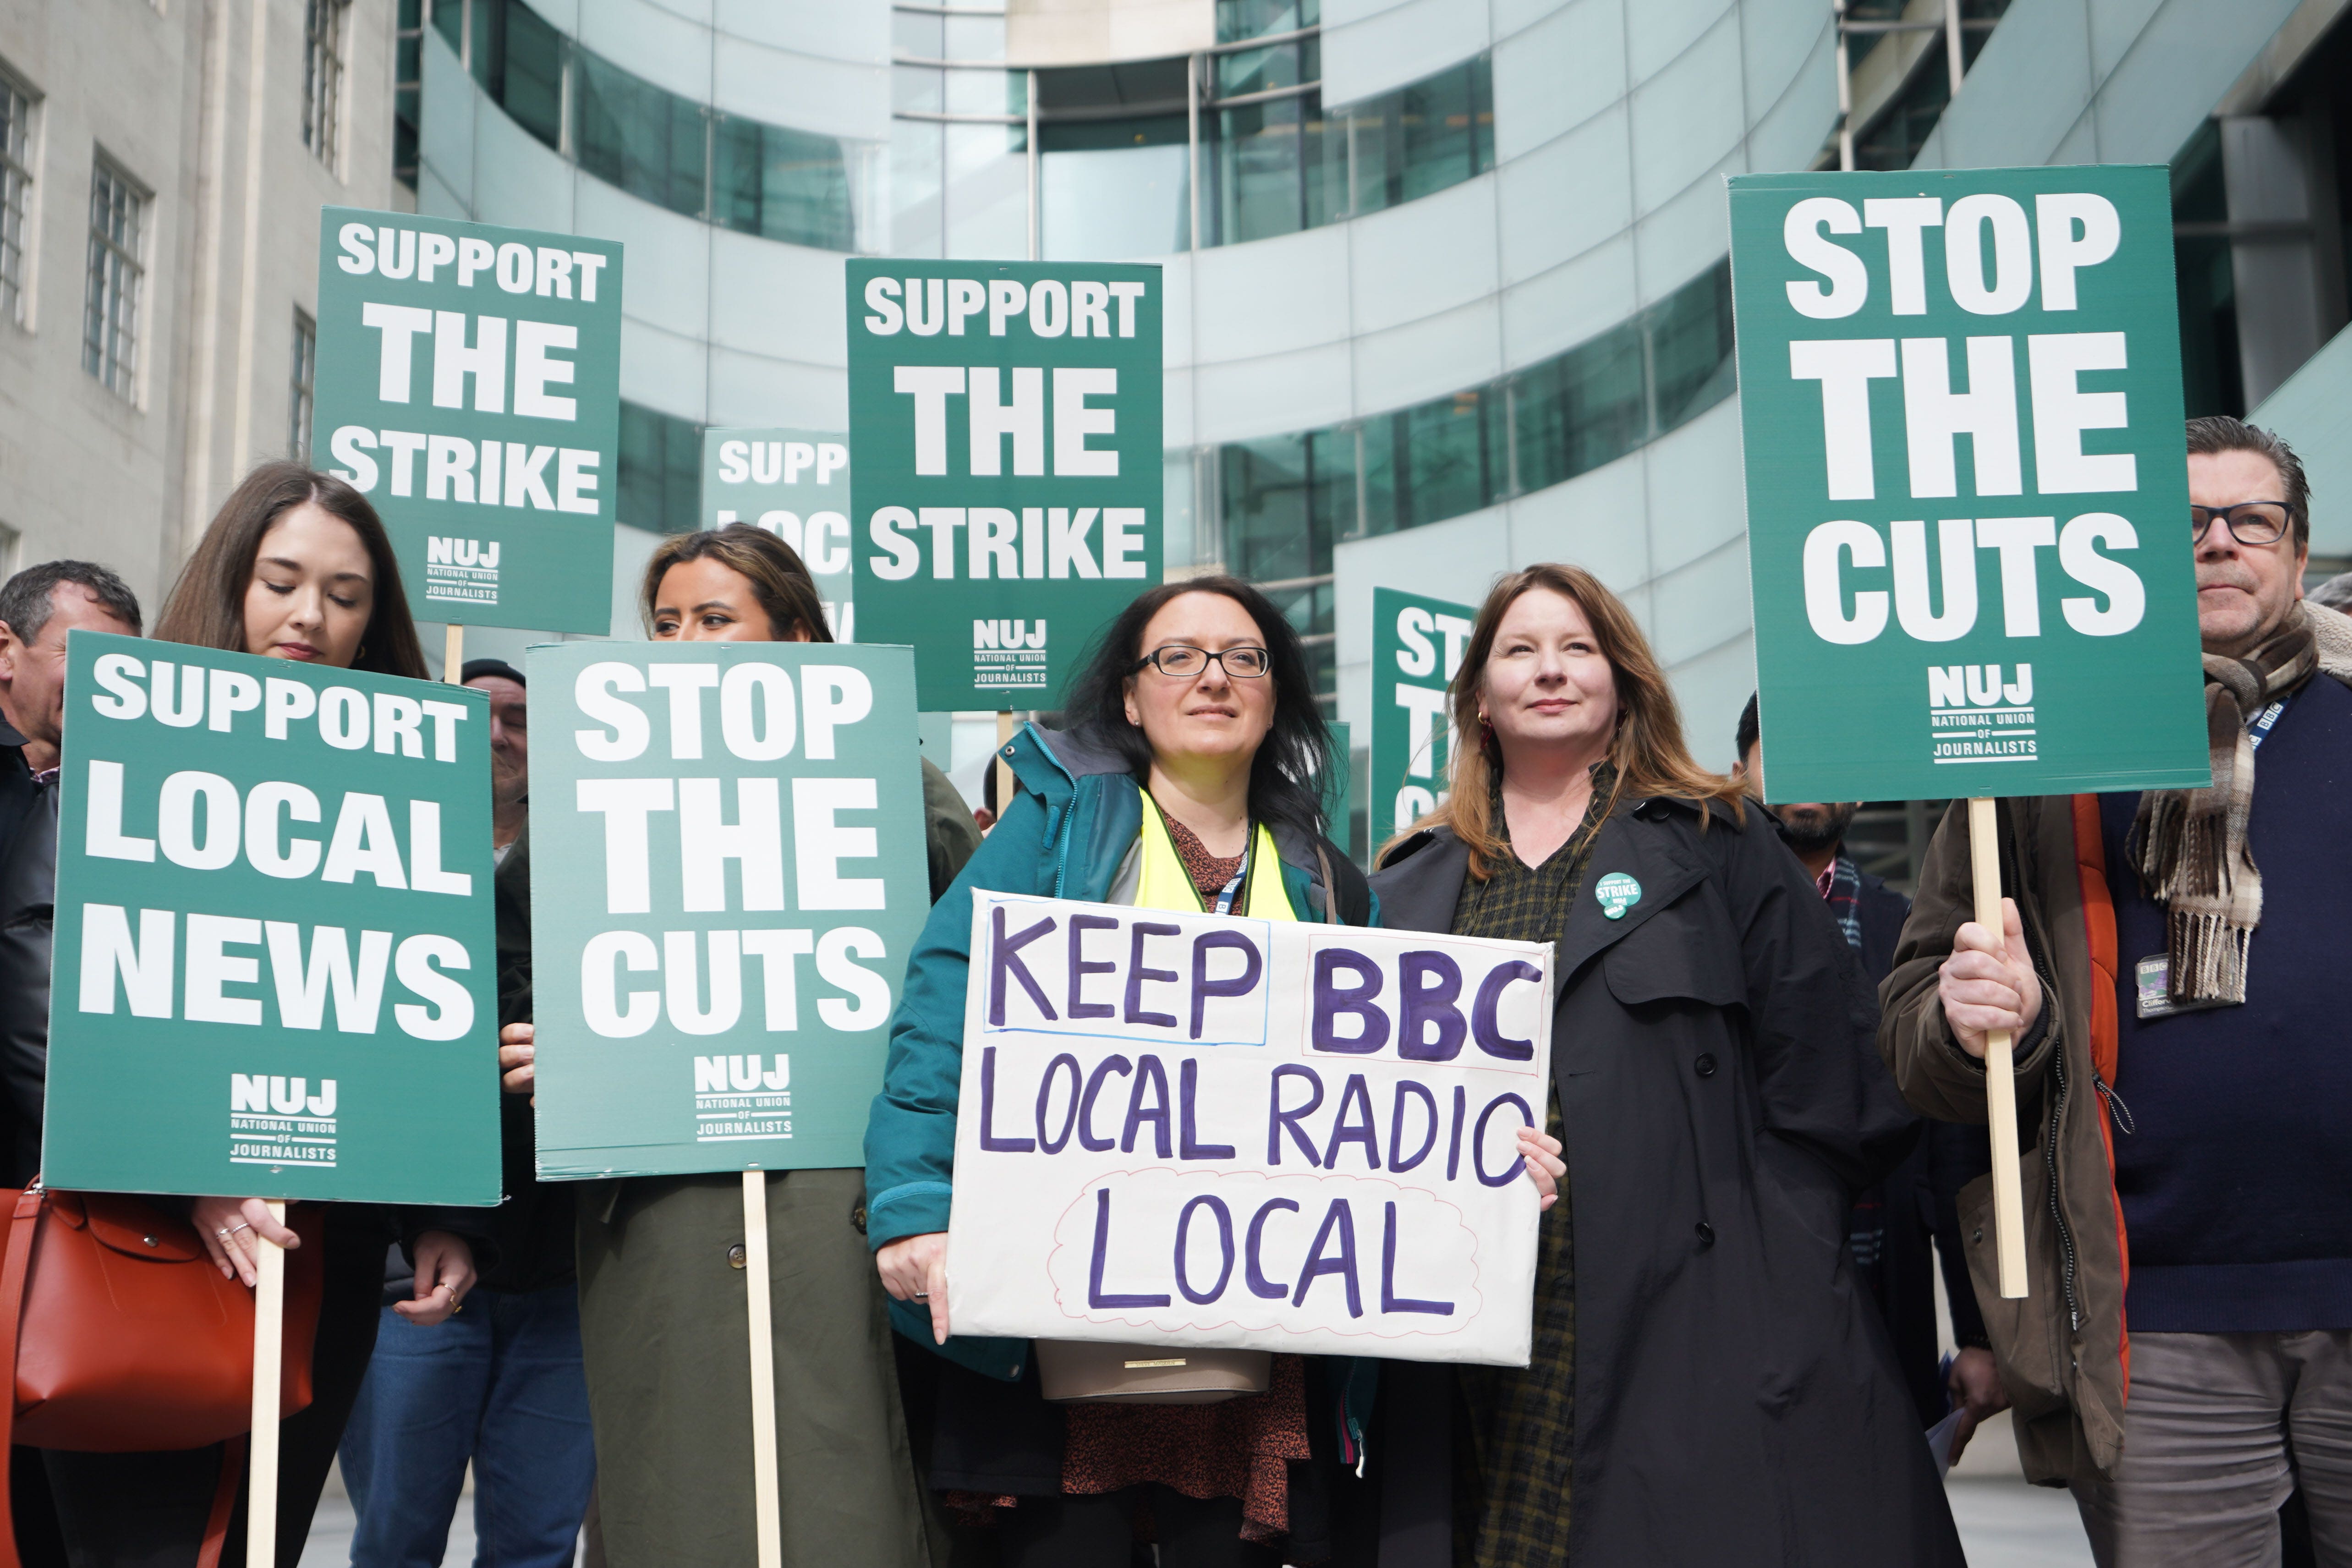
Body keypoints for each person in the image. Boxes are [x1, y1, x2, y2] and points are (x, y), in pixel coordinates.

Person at [863, 575, 1563, 1567]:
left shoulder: (1333, 884)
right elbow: (943, 1008)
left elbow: (1390, 1103)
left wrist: (1482, 1171)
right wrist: (910, 1204)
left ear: (1275, 696)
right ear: (1128, 695)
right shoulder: (1050, 834)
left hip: (1253, 1369)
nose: (1212, 677)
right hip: (1058, 1348)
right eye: (1177, 656)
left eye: (1244, 658)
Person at [1370, 564, 1961, 1565]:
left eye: (1576, 648)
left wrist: (1767, 1255)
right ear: (1476, 692)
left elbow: (1833, 1074)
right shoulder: (1406, 884)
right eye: (1518, 650)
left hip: (1695, 1310)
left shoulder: (1717, 840)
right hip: (1471, 1312)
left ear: (1622, 679)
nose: (1548, 670)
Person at [1883, 417, 2352, 1565]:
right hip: (2147, 1318)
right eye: (2182, 524)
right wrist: (1972, 1019)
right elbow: (1910, 1022)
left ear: (2295, 554)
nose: (2217, 545)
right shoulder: (2029, 760)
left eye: (2252, 521)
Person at [13, 464, 488, 1565]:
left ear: (378, 621)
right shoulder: (114, 753)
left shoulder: (414, 790)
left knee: (259, 1546)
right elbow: (39, 994)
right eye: (281, 580)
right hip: (144, 1237)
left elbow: (424, 1010)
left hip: (327, 1253)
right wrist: (187, 1169)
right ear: (234, 582)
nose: (308, 616)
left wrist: (438, 1212)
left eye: (345, 592)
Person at [494, 523, 982, 1568]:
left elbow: (972, 973)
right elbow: (505, 946)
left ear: (799, 639)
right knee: (680, 1490)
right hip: (656, 1198)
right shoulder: (591, 785)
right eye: (663, 623)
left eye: (714, 619)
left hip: (841, 1199)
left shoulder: (894, 780)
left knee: (843, 1488)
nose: (679, 644)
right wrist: (547, 1044)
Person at [339, 654, 594, 1568]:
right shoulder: (375, 864)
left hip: (566, 1270)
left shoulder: (600, 871)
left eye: (519, 718)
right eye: (474, 714)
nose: (496, 732)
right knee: (395, 1538)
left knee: (534, 1546)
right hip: (412, 1270)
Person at [1732, 695, 2011, 1457]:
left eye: (1829, 755)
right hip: (1730, 1282)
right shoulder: (1698, 916)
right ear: (1739, 772)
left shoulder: (1909, 931)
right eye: (1780, 749)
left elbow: (1953, 1145)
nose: (1805, 774)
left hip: (1879, 1282)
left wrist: (1980, 1332)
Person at [0, 561, 144, 1564]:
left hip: (96, 1237)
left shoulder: (151, 810)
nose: (109, 688)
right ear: (7, 654)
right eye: (85, 657)